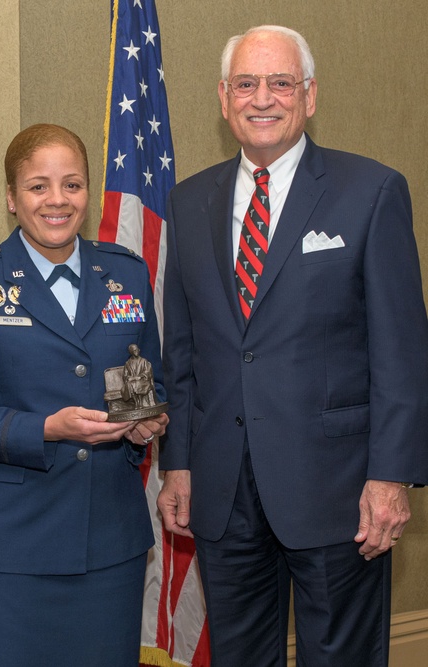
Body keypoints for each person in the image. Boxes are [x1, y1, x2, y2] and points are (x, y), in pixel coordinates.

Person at [157, 25, 428, 666]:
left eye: (281, 83)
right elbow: (186, 353)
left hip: (339, 492)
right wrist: (180, 463)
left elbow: (402, 352)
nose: (263, 98)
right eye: (247, 84)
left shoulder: (371, 191)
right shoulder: (189, 201)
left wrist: (391, 477)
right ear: (224, 99)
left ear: (309, 95)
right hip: (223, 490)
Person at [0, 124, 168, 666]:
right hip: (12, 547)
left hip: (110, 543)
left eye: (73, 185)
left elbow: (149, 381)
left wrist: (145, 423)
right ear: (12, 198)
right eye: (38, 186)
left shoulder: (126, 275)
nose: (57, 200)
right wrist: (46, 428)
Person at [124, 344, 156, 408]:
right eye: (134, 351)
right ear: (131, 352)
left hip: (142, 380)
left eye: (136, 350)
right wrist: (129, 378)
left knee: (138, 383)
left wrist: (140, 376)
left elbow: (148, 371)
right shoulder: (127, 363)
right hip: (132, 381)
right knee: (129, 385)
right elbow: (125, 375)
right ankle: (136, 402)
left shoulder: (144, 361)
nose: (136, 352)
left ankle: (140, 402)